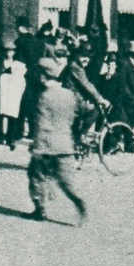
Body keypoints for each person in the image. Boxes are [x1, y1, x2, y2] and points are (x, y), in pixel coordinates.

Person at [27, 57, 86, 223]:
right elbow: (75, 115)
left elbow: (41, 124)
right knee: (66, 181)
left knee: (36, 176)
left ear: (42, 76)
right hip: (65, 144)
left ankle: (40, 209)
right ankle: (77, 200)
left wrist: (36, 148)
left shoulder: (44, 96)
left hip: (46, 145)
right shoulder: (69, 94)